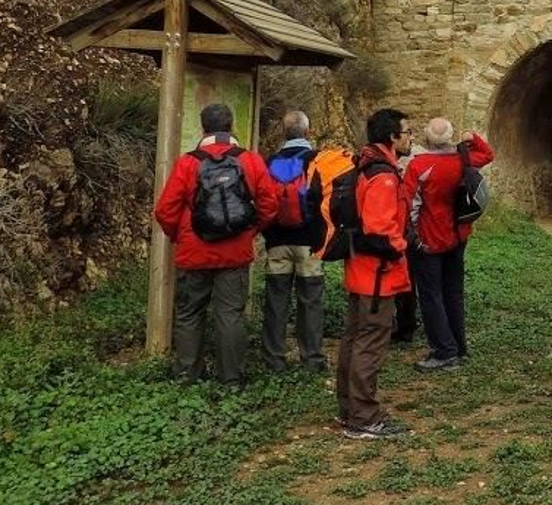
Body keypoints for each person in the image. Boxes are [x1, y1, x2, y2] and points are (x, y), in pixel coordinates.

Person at [154, 102, 278, 386]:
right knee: (230, 314)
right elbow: (269, 204)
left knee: (189, 313)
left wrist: (181, 236)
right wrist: (249, 230)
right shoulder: (250, 160)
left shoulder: (189, 162)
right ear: (231, 126)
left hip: (193, 251)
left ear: (203, 127)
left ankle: (187, 374)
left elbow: (165, 210)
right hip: (235, 252)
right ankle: (232, 378)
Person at [337, 108, 413, 440]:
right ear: (393, 138)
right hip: (378, 275)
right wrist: (402, 246)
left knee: (354, 340)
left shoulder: (365, 165)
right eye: (407, 132)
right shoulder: (383, 176)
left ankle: (349, 408)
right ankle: (365, 417)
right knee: (369, 343)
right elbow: (380, 230)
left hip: (361, 271)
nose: (411, 137)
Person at [403, 118, 495, 372]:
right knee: (453, 292)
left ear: (427, 138)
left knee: (431, 295)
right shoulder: (462, 160)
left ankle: (444, 351)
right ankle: (459, 345)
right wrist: (471, 138)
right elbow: (487, 154)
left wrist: (413, 239)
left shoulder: (419, 165)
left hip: (430, 239)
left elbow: (409, 205)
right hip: (458, 236)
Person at [261, 110, 327, 374]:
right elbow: (325, 200)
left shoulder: (270, 161)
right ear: (307, 132)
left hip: (277, 241)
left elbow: (264, 200)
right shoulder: (317, 161)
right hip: (309, 243)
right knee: (311, 300)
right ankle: (312, 359)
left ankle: (274, 360)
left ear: (283, 133)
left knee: (276, 301)